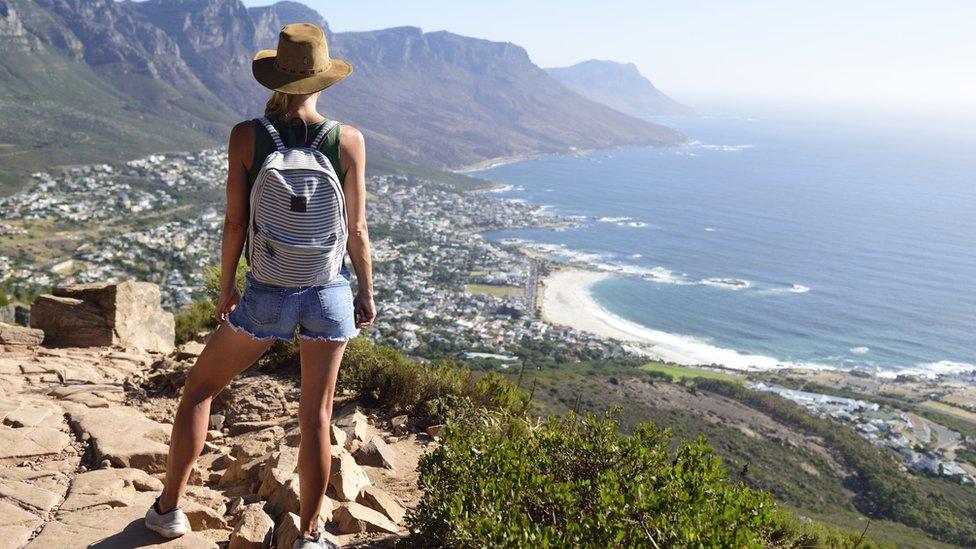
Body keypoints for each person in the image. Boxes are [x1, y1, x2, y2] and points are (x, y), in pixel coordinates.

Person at [144, 23, 375, 549]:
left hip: (266, 292)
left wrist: (227, 286)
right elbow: (357, 230)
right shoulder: (350, 141)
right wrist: (365, 291)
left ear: (274, 79)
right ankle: (311, 536)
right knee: (317, 414)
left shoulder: (246, 136)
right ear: (322, 80)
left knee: (199, 391)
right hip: (327, 291)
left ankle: (169, 510)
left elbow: (234, 223)